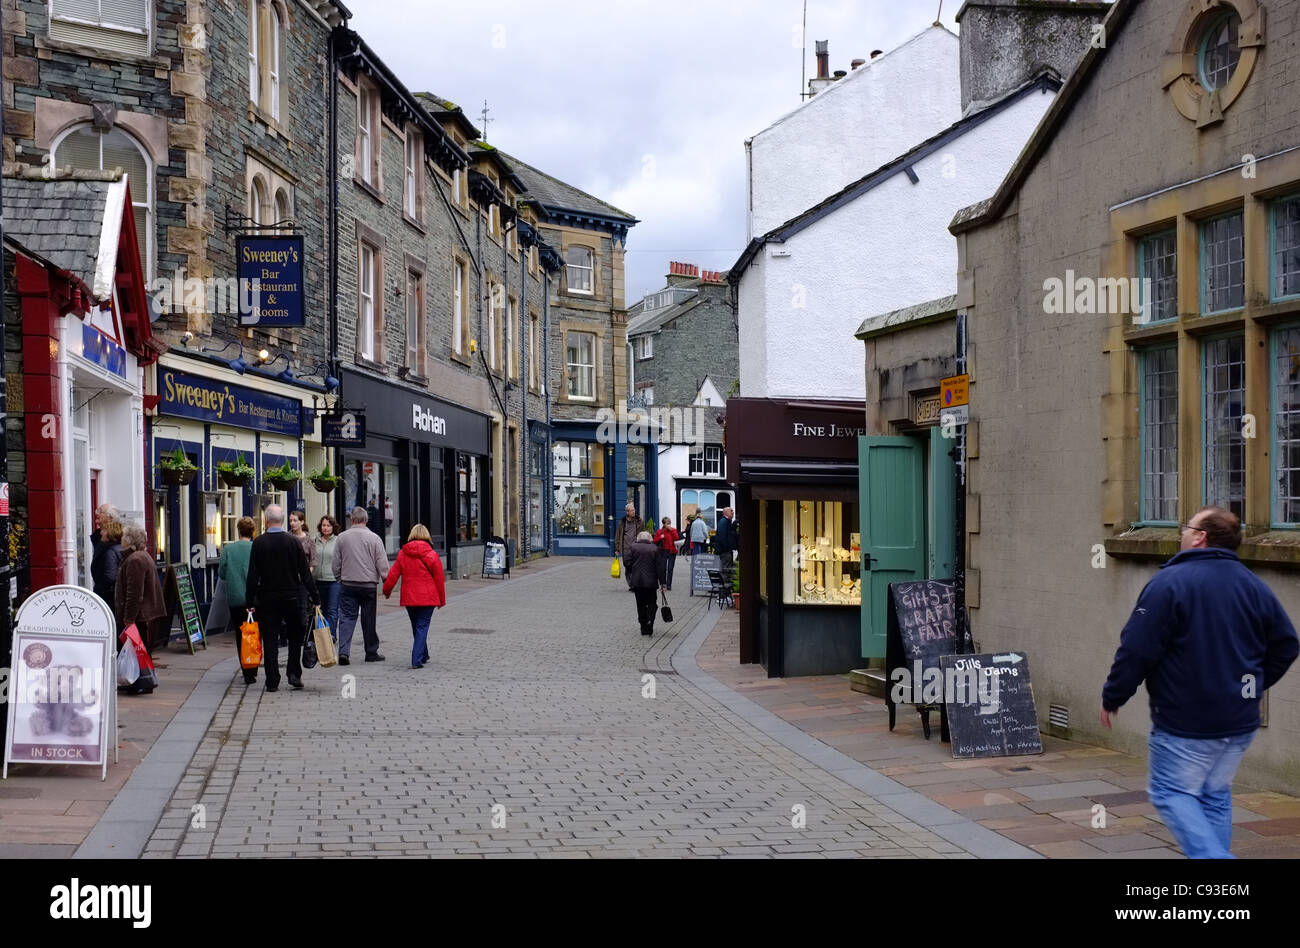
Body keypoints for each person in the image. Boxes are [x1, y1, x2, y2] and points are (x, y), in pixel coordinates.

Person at [1101, 506, 1298, 859]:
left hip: (1187, 722)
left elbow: (1136, 650)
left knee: (1170, 792)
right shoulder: (1253, 585)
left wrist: (1113, 695)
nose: (1181, 532)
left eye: (1186, 526)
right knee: (1213, 794)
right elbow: (1287, 643)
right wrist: (1251, 687)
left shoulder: (1169, 583)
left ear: (1200, 537)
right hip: (1238, 721)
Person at [245, 504, 318, 692]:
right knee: (295, 636)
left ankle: (272, 679)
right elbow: (305, 572)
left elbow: (253, 574)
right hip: (291, 597)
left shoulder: (259, 543)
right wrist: (315, 596)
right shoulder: (293, 542)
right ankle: (293, 674)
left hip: (267, 598)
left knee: (270, 638)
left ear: (266, 521)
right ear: (283, 521)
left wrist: (249, 600)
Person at [382, 524, 447, 669]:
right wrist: (441, 600)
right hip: (428, 598)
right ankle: (416, 659)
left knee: (416, 626)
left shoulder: (403, 554)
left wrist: (386, 591)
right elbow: (439, 580)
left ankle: (423, 654)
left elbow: (393, 575)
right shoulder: (432, 555)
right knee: (422, 627)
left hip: (410, 598)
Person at [332, 506, 389, 665]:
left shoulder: (342, 538)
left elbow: (336, 562)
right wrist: (386, 582)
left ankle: (344, 652)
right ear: (366, 520)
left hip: (348, 584)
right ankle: (371, 652)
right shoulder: (375, 538)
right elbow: (382, 563)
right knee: (368, 618)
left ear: (352, 519)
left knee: (346, 618)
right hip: (369, 585)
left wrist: (339, 578)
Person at [115, 522, 167, 662]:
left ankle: (142, 681)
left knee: (139, 655)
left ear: (128, 540)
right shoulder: (142, 556)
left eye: (123, 537)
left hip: (140, 617)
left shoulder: (135, 560)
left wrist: (128, 619)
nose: (121, 539)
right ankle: (144, 680)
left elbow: (135, 593)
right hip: (144, 615)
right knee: (142, 654)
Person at [219, 517, 258, 683]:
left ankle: (245, 667)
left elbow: (221, 573)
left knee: (240, 633)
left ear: (238, 530)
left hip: (235, 597)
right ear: (252, 532)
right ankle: (253, 666)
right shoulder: (256, 547)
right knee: (255, 632)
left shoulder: (229, 549)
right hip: (255, 597)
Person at [625, 530, 660, 636]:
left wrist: (633, 571)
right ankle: (650, 620)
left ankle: (643, 626)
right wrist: (662, 582)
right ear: (650, 539)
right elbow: (660, 567)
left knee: (640, 604)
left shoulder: (633, 547)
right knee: (652, 602)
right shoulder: (655, 548)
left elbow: (627, 562)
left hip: (637, 581)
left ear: (638, 538)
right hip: (651, 582)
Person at [314, 515, 342, 645]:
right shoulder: (315, 540)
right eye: (323, 525)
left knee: (332, 609)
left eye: (328, 525)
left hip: (333, 580)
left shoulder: (338, 541)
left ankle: (331, 635)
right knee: (321, 609)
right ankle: (322, 634)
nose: (325, 528)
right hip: (318, 580)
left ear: (333, 527)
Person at [90, 503, 123, 603]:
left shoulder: (113, 543)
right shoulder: (100, 537)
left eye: (100, 511)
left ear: (110, 518)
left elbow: (110, 577)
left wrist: (100, 589)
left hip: (108, 597)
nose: (97, 514)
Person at [613, 503, 644, 592]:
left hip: (636, 548)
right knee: (627, 566)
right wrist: (617, 549)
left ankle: (634, 585)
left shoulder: (639, 521)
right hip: (626, 548)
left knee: (636, 566)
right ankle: (631, 583)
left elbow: (642, 533)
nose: (634, 511)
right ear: (627, 512)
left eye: (634, 510)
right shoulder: (622, 522)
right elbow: (618, 535)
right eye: (632, 510)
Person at [653, 516, 680, 591]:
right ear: (663, 524)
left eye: (669, 523)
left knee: (670, 568)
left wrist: (671, 530)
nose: (669, 525)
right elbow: (654, 541)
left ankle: (669, 585)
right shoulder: (660, 531)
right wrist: (660, 537)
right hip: (663, 551)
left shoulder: (673, 530)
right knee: (662, 568)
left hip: (672, 551)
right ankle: (663, 584)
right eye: (667, 523)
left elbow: (676, 538)